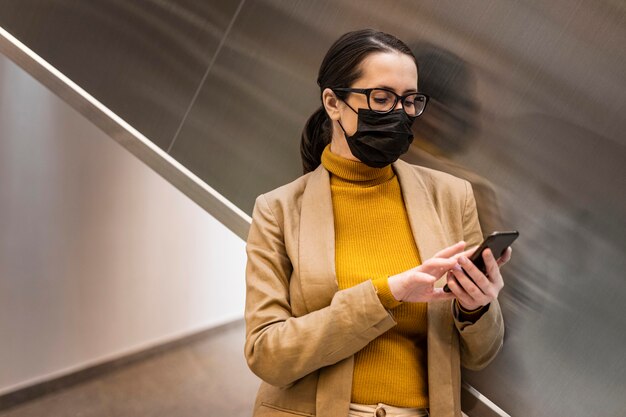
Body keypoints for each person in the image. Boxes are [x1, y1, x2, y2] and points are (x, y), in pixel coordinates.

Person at [244, 29, 511, 417]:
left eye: (410, 101)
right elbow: (266, 354)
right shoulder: (279, 210)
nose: (399, 114)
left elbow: (482, 353)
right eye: (382, 98)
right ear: (333, 103)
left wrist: (477, 308)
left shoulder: (453, 197)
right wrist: (388, 293)